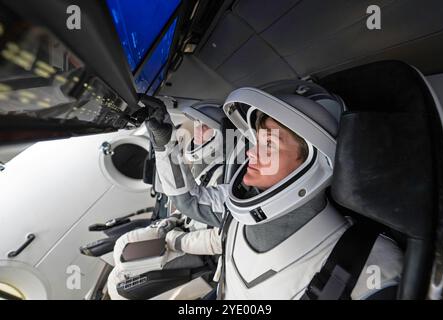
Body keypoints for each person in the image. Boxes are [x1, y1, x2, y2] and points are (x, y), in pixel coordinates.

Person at [147, 80, 403, 300]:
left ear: (314, 164)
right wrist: (164, 143)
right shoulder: (236, 209)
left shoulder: (370, 266)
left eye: (269, 145)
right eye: (256, 141)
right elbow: (186, 198)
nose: (249, 152)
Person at [107, 102, 232, 300]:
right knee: (120, 255)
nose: (197, 133)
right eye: (196, 125)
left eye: (204, 127)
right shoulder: (212, 169)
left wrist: (176, 240)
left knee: (119, 285)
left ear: (221, 133)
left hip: (207, 255)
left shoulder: (231, 176)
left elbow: (223, 238)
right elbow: (187, 204)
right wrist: (170, 224)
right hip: (188, 239)